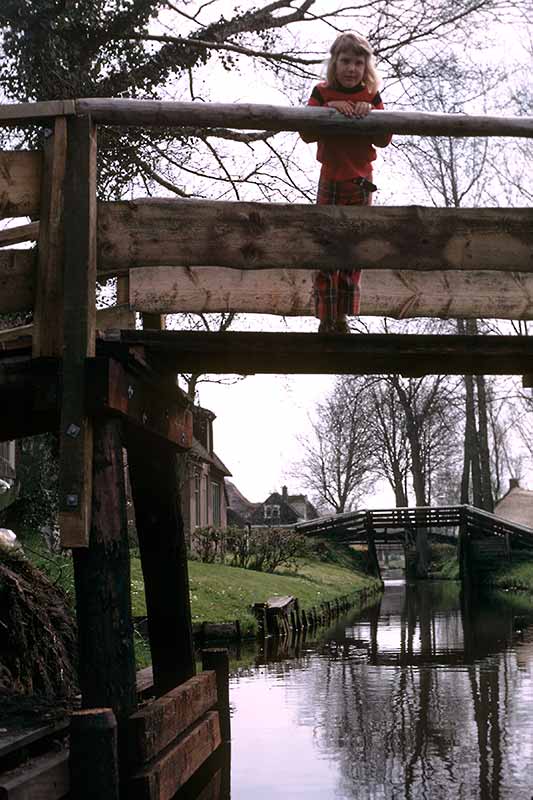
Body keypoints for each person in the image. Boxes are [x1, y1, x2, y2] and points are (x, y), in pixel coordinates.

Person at [301, 32, 392, 333]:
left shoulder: (371, 96)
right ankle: (327, 317)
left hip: (362, 181)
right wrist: (331, 109)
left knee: (354, 249)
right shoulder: (322, 92)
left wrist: (371, 115)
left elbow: (384, 139)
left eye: (358, 63)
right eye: (345, 61)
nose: (351, 69)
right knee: (326, 245)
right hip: (331, 177)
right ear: (334, 63)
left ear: (366, 68)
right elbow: (306, 132)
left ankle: (344, 315)